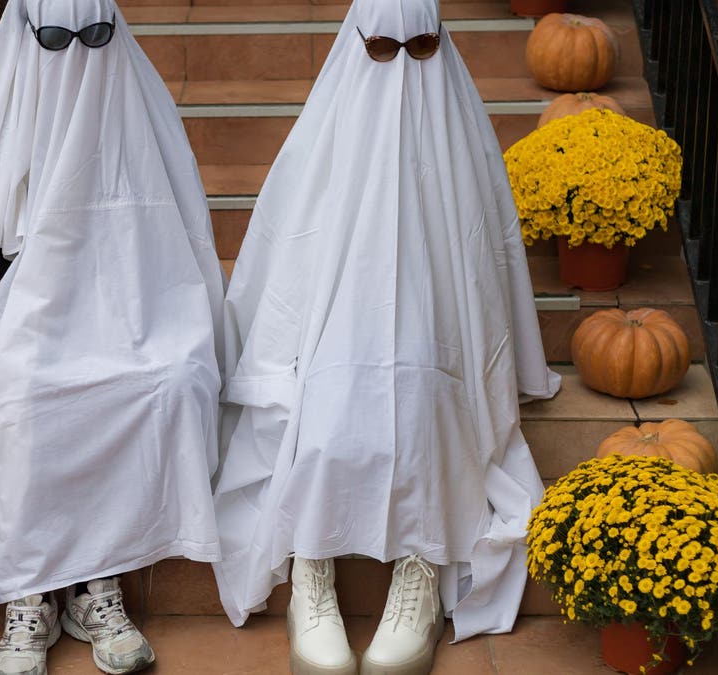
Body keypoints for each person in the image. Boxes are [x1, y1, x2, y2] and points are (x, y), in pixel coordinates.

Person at [211, 0, 561, 672]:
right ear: (355, 46)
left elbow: (489, 271)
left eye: (422, 47)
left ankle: (420, 566)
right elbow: (284, 264)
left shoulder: (462, 151)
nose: (401, 68)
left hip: (439, 352)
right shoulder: (321, 152)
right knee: (321, 429)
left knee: (431, 414)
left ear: (443, 47)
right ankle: (311, 564)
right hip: (328, 345)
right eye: (381, 50)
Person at [0, 0, 226, 673]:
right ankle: (31, 591)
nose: (77, 54)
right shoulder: (0, 126)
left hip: (134, 317)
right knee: (22, 396)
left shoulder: (138, 115)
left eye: (93, 36)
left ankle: (96, 585)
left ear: (114, 35)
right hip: (25, 322)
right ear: (26, 39)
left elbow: (175, 236)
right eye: (58, 38)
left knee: (174, 379)